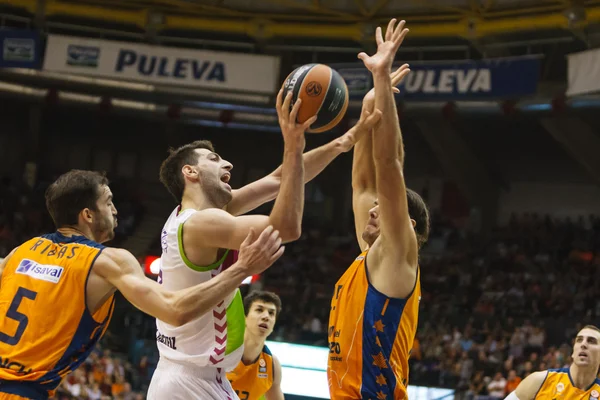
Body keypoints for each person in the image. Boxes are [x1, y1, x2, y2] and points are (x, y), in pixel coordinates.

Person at [149, 72, 383, 399]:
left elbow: (279, 179)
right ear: (191, 173)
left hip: (195, 377)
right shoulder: (202, 224)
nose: (227, 162)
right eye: (215, 160)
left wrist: (343, 143)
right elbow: (286, 227)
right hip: (190, 381)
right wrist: (293, 143)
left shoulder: (200, 216)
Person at [0, 170, 283, 400]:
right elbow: (174, 310)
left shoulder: (21, 252)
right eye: (108, 201)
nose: (115, 209)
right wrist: (242, 268)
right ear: (87, 215)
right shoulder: (107, 261)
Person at [327, 18, 431, 400]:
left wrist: (383, 82)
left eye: (383, 209)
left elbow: (389, 165)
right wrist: (369, 106)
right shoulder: (369, 255)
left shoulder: (397, 256)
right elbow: (364, 184)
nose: (373, 210)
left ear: (410, 226)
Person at [504, 325, 600, 400]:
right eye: (579, 340)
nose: (583, 344)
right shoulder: (539, 381)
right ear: (573, 352)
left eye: (591, 341)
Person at [227, 291, 284, 400]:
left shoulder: (272, 365)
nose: (266, 316)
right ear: (244, 318)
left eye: (271, 313)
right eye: (259, 310)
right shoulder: (221, 350)